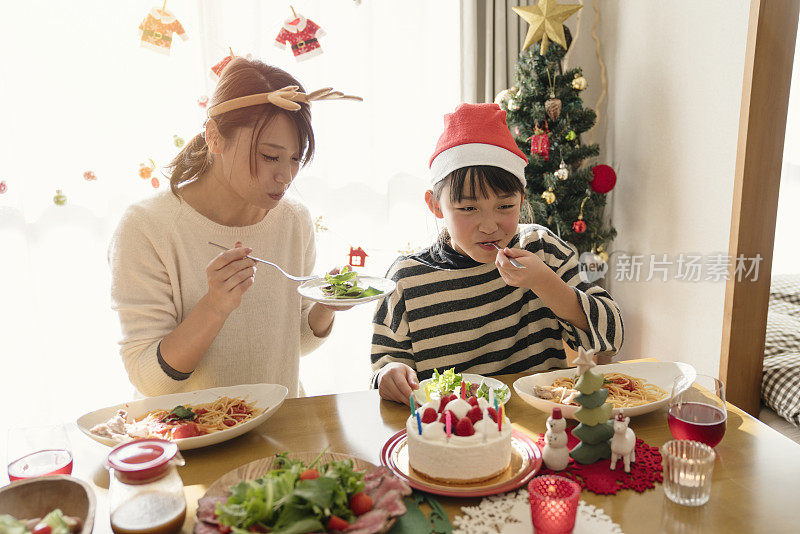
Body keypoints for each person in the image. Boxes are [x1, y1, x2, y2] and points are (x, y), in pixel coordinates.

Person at [109, 58, 357, 397]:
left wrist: (325, 306)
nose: (286, 175)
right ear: (214, 137)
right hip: (192, 436)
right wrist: (214, 306)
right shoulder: (147, 227)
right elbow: (149, 379)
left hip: (280, 429)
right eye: (270, 156)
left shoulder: (294, 219)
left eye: (296, 157)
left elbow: (293, 345)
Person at [371, 103, 624, 404]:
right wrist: (390, 374)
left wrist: (544, 282)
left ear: (522, 199)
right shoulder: (407, 279)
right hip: (450, 431)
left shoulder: (542, 249)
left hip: (540, 425)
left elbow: (612, 336)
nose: (490, 226)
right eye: (468, 208)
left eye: (505, 206)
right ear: (436, 205)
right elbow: (386, 367)